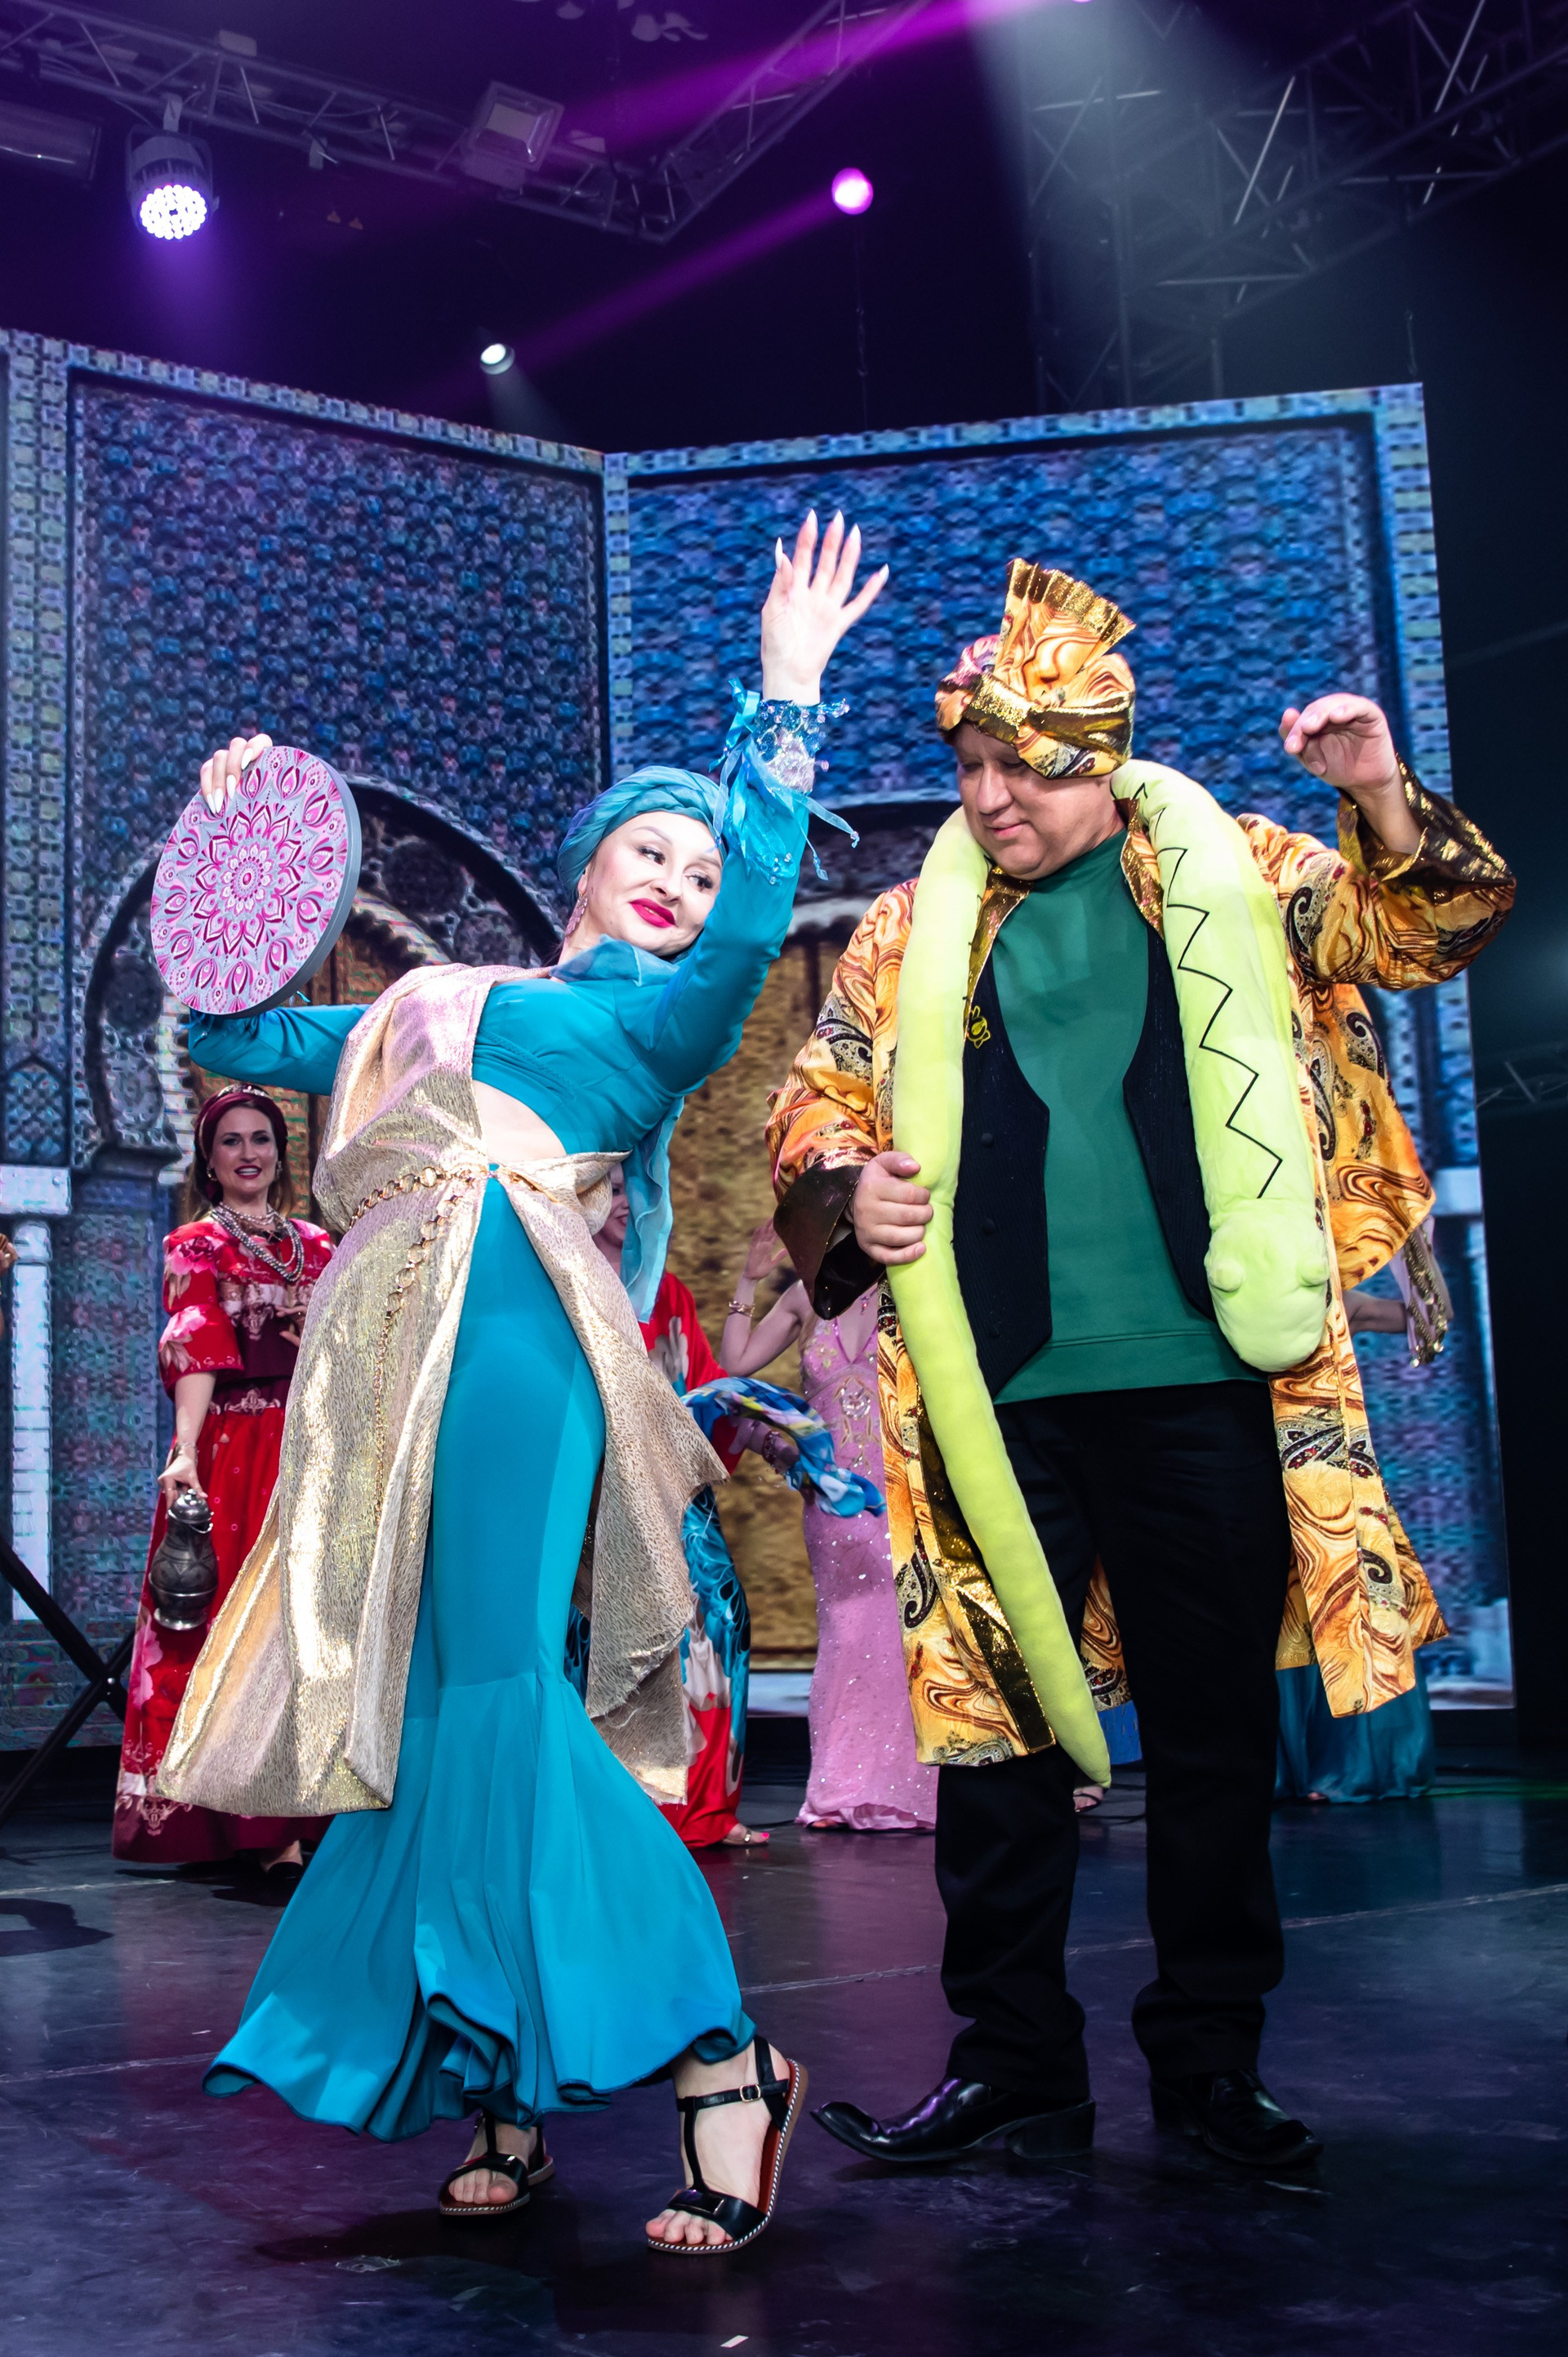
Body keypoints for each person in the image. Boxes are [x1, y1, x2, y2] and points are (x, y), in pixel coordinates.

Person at [157, 510, 886, 2252]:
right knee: (423, 1711)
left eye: (702, 866)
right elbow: (231, 1033)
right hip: (382, 1363)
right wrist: (230, 841)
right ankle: (500, 2084)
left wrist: (782, 704)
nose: (681, 881)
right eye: (652, 849)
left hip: (517, 1342)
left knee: (495, 1685)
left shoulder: (652, 1023)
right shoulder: (437, 1000)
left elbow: (748, 934)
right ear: (585, 861)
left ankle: (723, 2060)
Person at [766, 559, 1513, 2172]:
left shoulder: (1233, 867)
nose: (991, 798)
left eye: (1024, 769)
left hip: (1206, 1384)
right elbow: (815, 1099)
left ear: (1100, 759)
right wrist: (844, 1183)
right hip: (993, 1399)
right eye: (972, 766)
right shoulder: (909, 929)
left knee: (1213, 1737)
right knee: (997, 1748)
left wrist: (1380, 791)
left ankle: (1211, 2066)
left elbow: (1424, 930)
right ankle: (1016, 2065)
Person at [112, 1089, 332, 1870]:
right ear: (209, 1159)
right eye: (232, 1141)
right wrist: (185, 1452)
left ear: (280, 1151)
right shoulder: (196, 1245)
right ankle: (246, 1827)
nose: (248, 1154)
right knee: (233, 1627)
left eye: (261, 1139)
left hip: (313, 1446)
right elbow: (197, 1349)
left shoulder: (319, 1246)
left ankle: (310, 1814)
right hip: (238, 1446)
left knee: (308, 1629)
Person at [590, 1167, 782, 1850]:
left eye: (634, 1189)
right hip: (603, 1501)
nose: (625, 1203)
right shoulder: (570, 1289)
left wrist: (763, 1430)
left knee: (721, 1621)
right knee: (620, 1644)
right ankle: (635, 1810)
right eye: (611, 1188)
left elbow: (702, 1392)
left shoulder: (667, 1293)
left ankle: (710, 1811)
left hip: (680, 1499)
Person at [721, 1227, 937, 1832]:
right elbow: (735, 1365)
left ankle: (910, 1790)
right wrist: (748, 1280)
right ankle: (841, 1787)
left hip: (900, 1493)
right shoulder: (805, 1297)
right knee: (845, 1635)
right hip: (832, 1502)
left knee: (906, 1636)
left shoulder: (910, 1288)